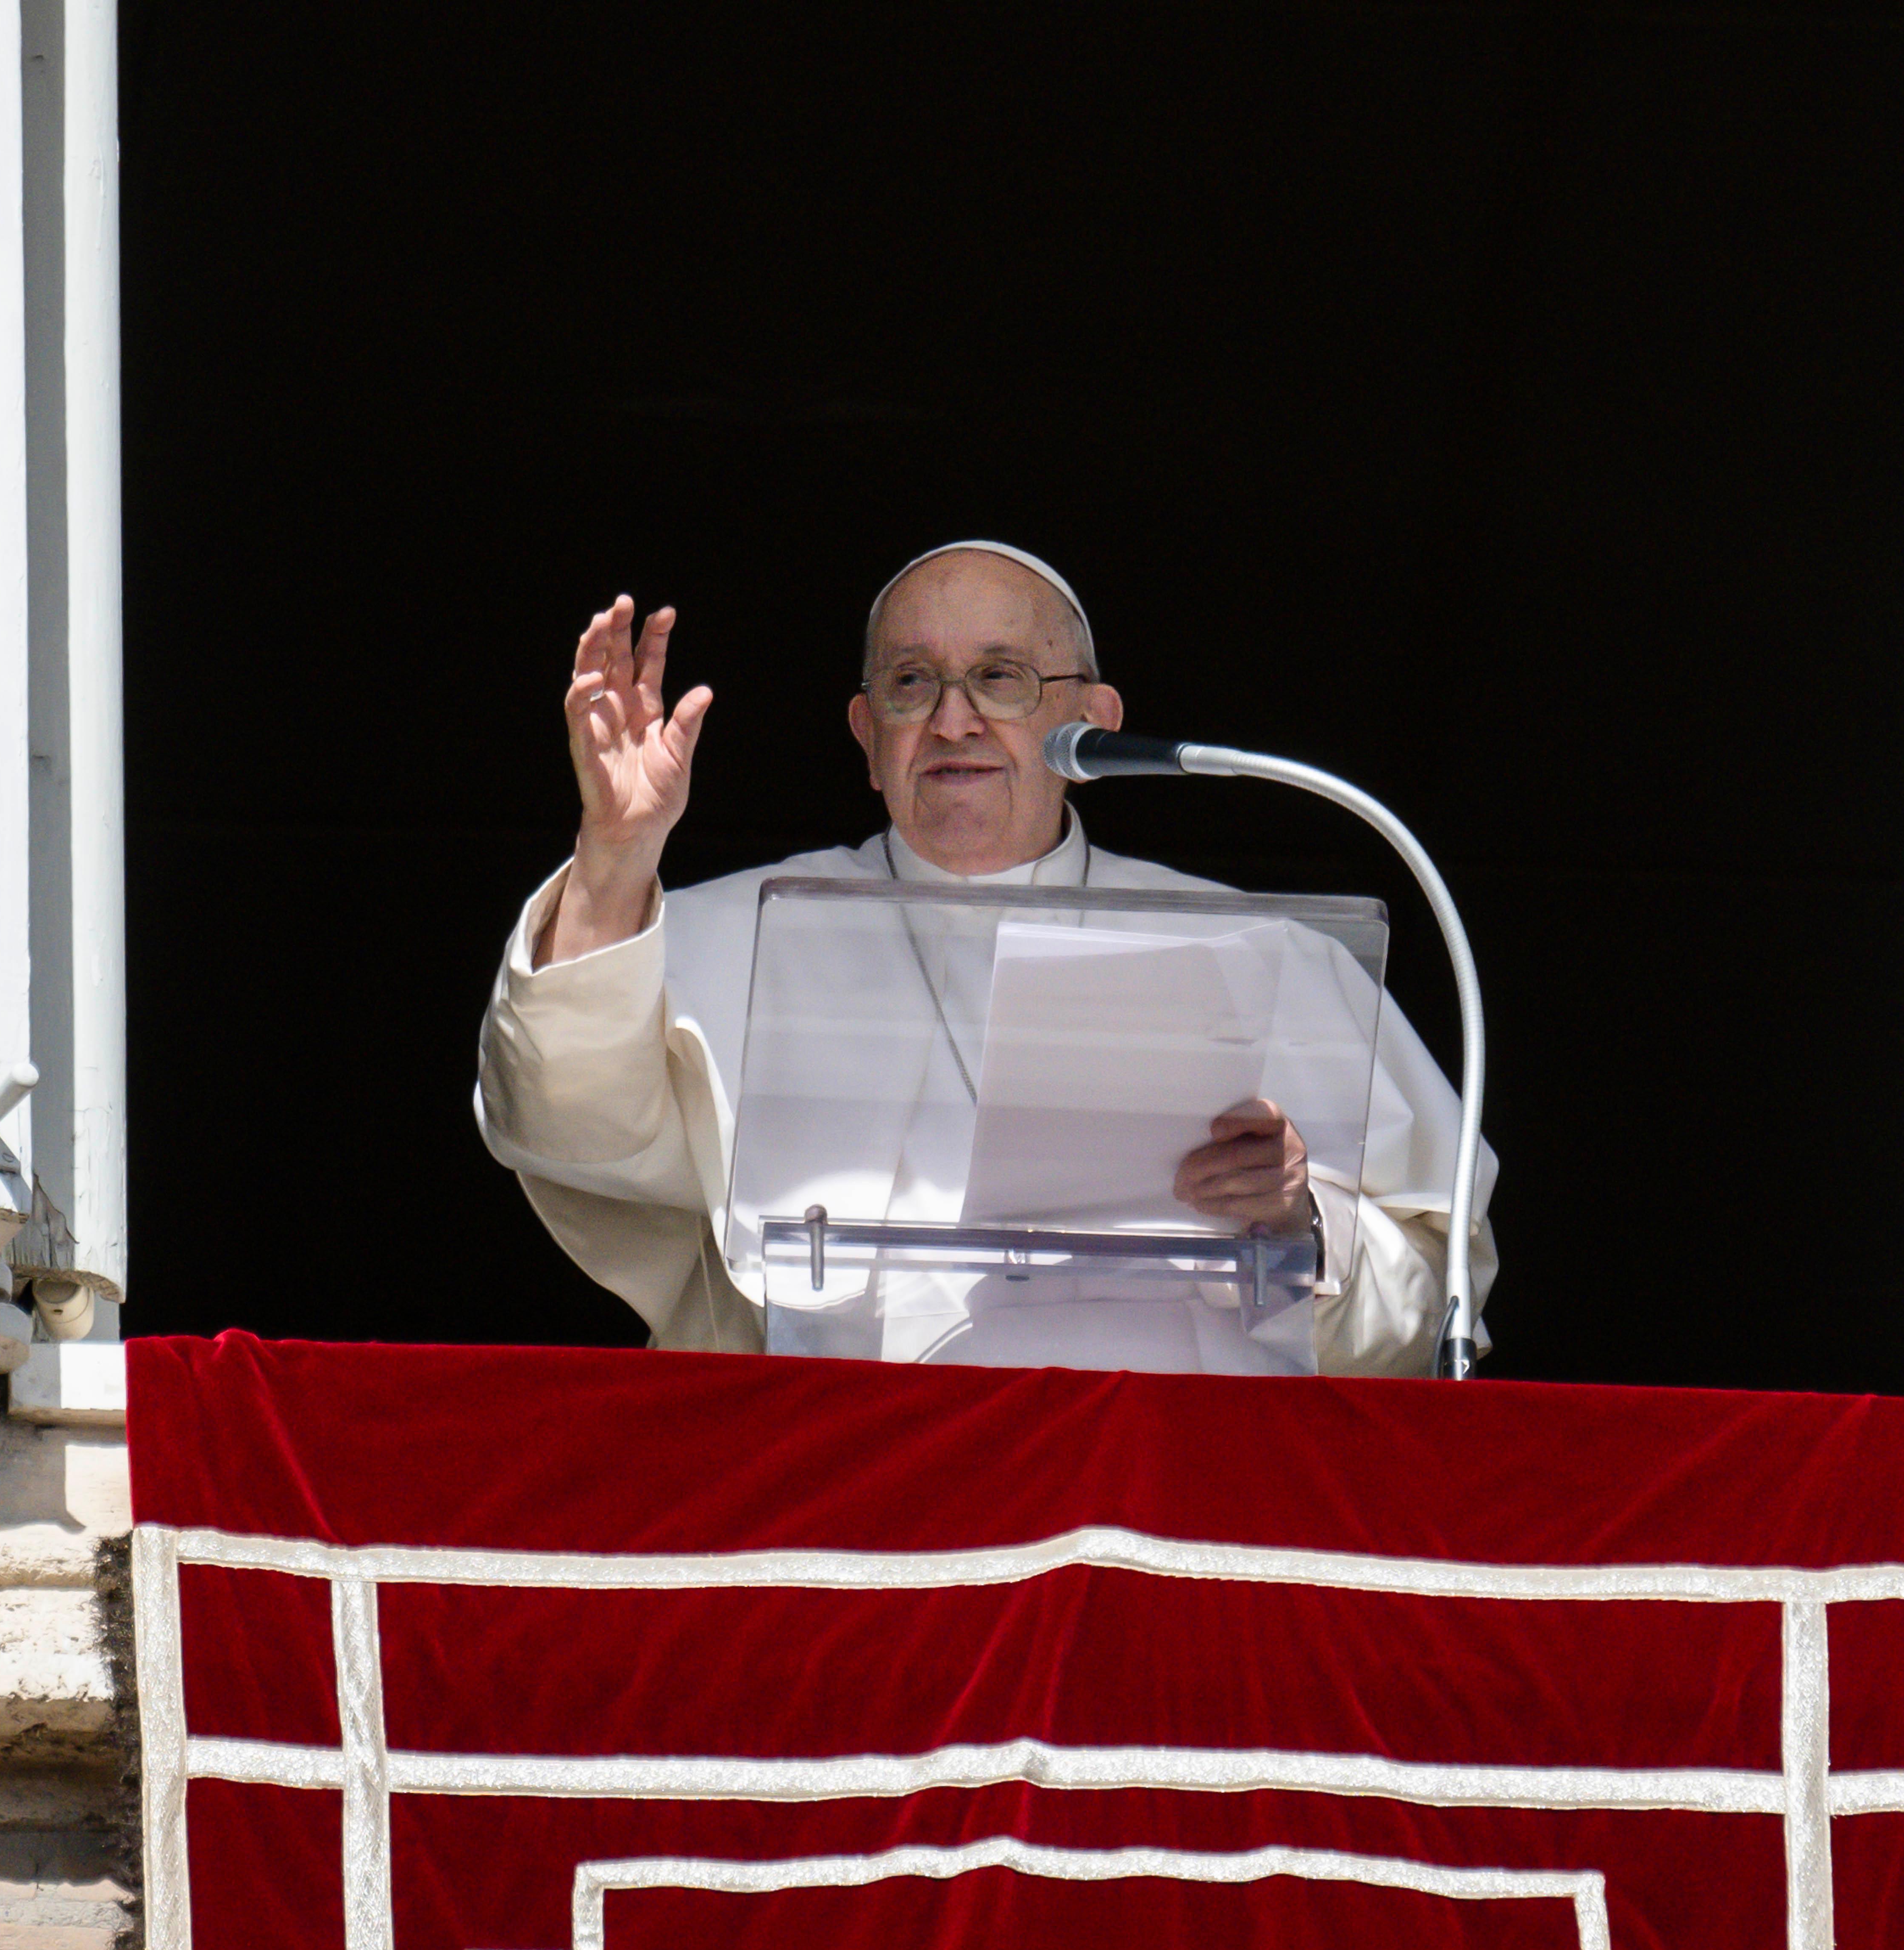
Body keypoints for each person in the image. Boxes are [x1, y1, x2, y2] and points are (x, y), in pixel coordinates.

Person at [475, 541, 1493, 1373]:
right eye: (912, 683)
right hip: (843, 1501)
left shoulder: (1268, 956)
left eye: (1000, 678)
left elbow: (1434, 1303)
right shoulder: (739, 931)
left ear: (1090, 724)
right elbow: (560, 1126)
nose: (952, 719)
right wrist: (615, 854)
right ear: (868, 737)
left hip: (1165, 1499)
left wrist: (1295, 1223)